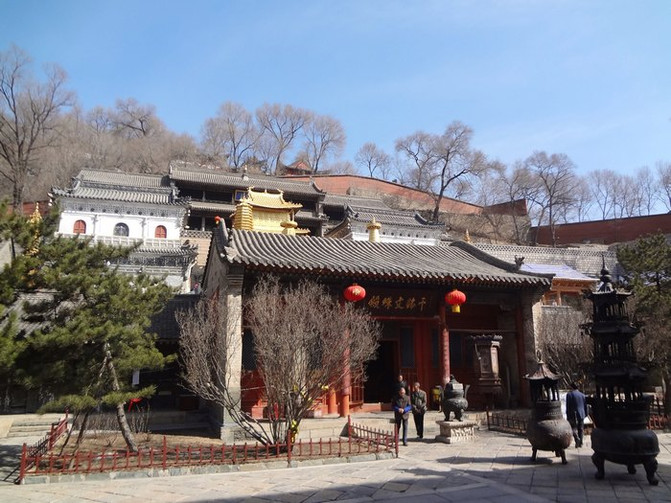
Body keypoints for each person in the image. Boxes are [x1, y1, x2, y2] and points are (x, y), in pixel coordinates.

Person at [565, 382, 588, 448]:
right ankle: (581, 443)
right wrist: (586, 414)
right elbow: (585, 406)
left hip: (573, 414)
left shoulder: (569, 395)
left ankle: (577, 439)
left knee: (573, 428)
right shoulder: (582, 395)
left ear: (571, 387)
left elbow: (568, 406)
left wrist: (568, 415)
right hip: (582, 414)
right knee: (581, 428)